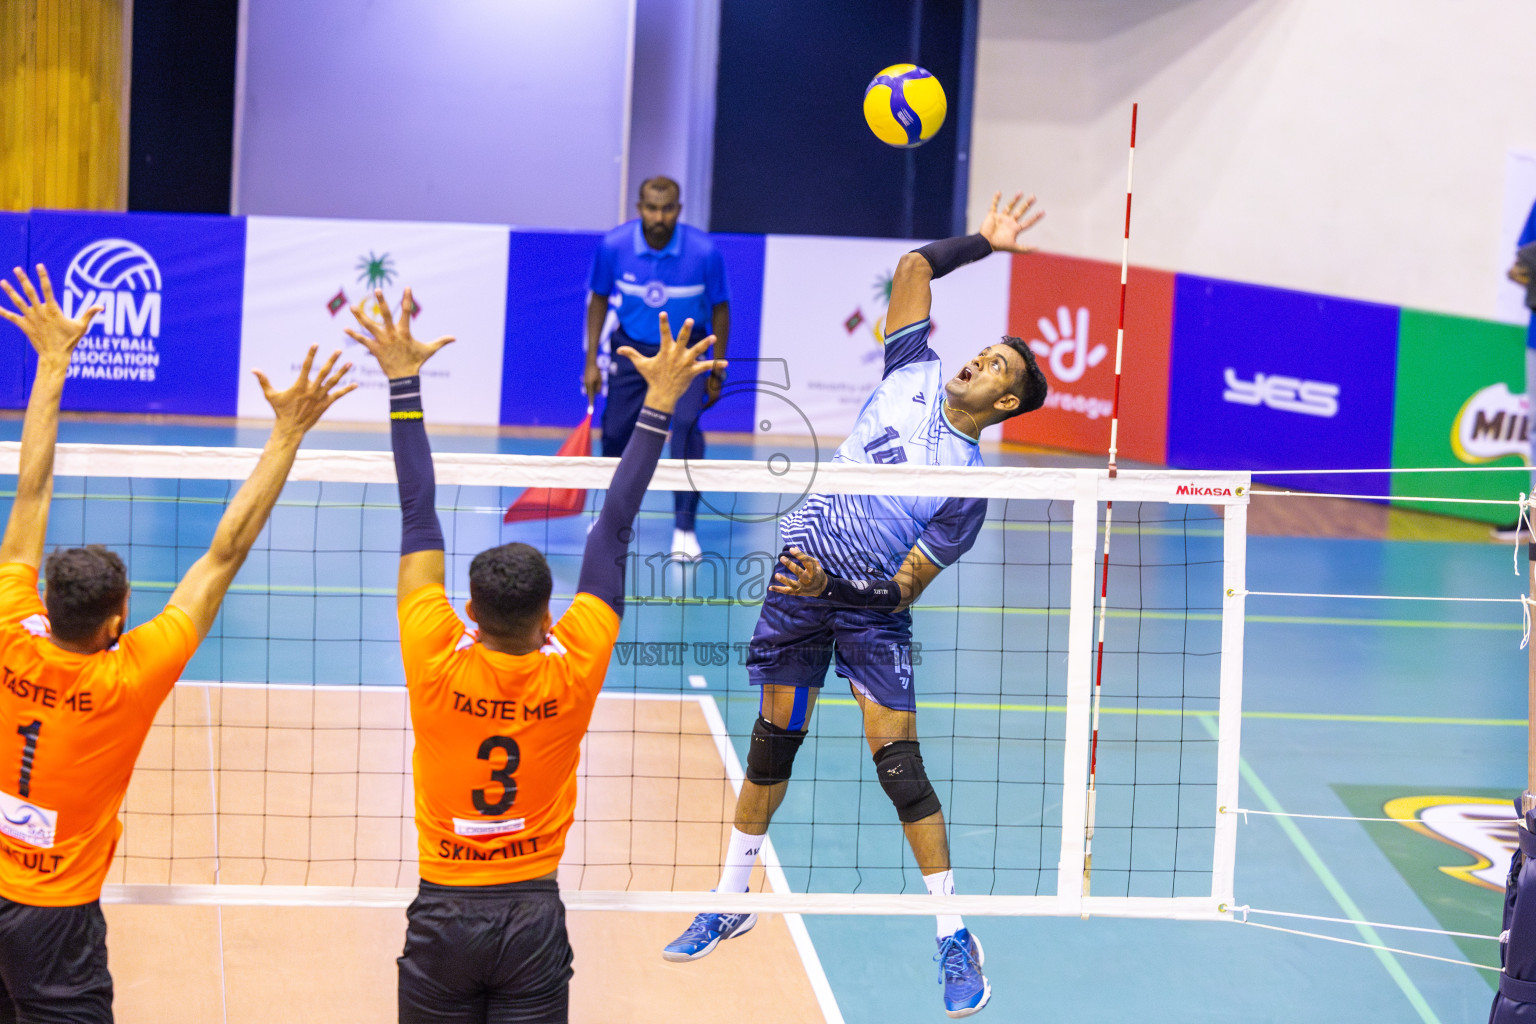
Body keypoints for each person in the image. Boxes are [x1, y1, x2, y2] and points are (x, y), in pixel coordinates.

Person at [662, 193, 1050, 1019]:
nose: (978, 361)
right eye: (983, 352)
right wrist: (986, 242)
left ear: (1006, 405)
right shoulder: (912, 369)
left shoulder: (967, 487)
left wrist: (833, 591)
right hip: (797, 584)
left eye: (997, 368)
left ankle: (953, 935)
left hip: (866, 611)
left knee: (900, 768)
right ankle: (731, 899)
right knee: (772, 746)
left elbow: (904, 587)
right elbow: (913, 267)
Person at [345, 289, 721, 1024]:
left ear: (470, 612)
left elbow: (417, 511)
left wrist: (403, 383)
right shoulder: (573, 662)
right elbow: (615, 524)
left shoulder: (434, 653)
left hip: (444, 913)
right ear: (549, 616)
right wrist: (659, 405)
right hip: (532, 919)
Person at [0, 264, 354, 1022]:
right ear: (117, 620)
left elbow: (28, 493)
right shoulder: (131, 675)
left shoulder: (8, 628)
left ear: (47, 603)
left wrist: (52, 361)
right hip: (53, 919)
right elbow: (225, 552)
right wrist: (287, 433)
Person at [585, 176, 730, 561]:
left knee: (684, 429)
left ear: (679, 210)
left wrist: (717, 370)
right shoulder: (613, 246)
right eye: (651, 208)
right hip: (631, 350)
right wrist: (590, 361)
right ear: (639, 209)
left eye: (667, 209)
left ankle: (684, 528)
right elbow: (598, 299)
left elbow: (721, 309)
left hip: (684, 354)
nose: (659, 217)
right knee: (615, 434)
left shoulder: (705, 253)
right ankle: (611, 519)